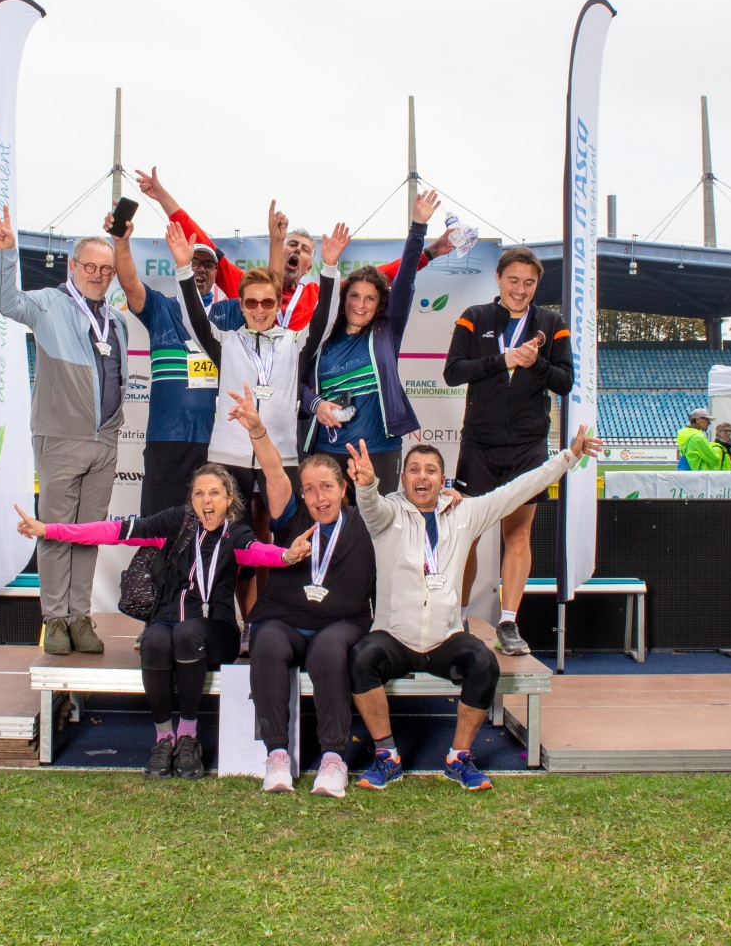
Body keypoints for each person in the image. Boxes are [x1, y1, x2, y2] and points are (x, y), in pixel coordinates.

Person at [13, 465, 309, 780]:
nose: (206, 500)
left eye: (214, 493)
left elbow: (259, 552)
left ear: (229, 499)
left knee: (187, 633)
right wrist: (49, 530)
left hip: (216, 631)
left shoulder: (236, 535)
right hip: (167, 622)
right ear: (192, 500)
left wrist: (287, 556)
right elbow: (112, 532)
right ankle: (164, 738)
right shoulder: (175, 523)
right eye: (199, 493)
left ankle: (188, 737)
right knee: (153, 640)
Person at [346, 428, 602, 791]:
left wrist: (569, 456)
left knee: (484, 663)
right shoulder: (388, 514)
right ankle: (387, 755)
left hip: (446, 637)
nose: (422, 477)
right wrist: (366, 485)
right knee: (361, 658)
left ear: (443, 480)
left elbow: (518, 490)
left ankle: (459, 757)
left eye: (431, 470)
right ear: (403, 479)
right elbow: (370, 505)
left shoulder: (465, 513)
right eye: (414, 470)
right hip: (394, 636)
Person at [228, 384, 453, 797]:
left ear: (343, 489)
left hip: (342, 621)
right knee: (267, 642)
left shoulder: (368, 519)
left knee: (330, 651)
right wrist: (257, 430)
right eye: (310, 489)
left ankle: (334, 759)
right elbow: (274, 470)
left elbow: (416, 501)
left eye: (327, 487)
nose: (319, 496)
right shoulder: (290, 515)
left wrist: (448, 495)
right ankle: (276, 754)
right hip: (284, 618)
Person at [0, 206, 130, 656]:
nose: (97, 275)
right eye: (89, 266)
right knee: (54, 531)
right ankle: (54, 618)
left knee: (88, 534)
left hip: (105, 442)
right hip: (61, 439)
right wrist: (6, 253)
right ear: (72, 266)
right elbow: (5, 302)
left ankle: (79, 616)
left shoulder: (117, 320)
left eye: (105, 270)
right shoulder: (49, 304)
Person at [442, 245, 572, 656]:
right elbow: (452, 373)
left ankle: (509, 623)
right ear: (498, 278)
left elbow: (565, 381)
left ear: (536, 286)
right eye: (513, 280)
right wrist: (504, 359)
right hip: (479, 445)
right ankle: (457, 617)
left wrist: (535, 364)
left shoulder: (552, 323)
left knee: (518, 534)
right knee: (467, 534)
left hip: (527, 446)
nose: (520, 289)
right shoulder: (474, 317)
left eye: (529, 283)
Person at [134, 167, 449, 332]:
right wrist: (163, 197)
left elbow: (380, 277)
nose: (297, 250)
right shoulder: (246, 286)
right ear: (280, 251)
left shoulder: (318, 295)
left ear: (309, 265)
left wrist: (429, 252)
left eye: (305, 249)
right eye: (292, 244)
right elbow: (203, 240)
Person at [172, 220, 340, 508]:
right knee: (229, 529)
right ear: (241, 305)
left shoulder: (295, 343)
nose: (259, 310)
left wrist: (330, 267)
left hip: (281, 454)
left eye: (267, 303)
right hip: (228, 455)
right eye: (251, 303)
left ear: (276, 305)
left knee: (287, 527)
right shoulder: (225, 342)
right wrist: (183, 270)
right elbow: (193, 319)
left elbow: (325, 320)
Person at [109, 205, 262, 516]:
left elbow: (265, 295)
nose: (201, 270)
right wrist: (122, 242)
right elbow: (129, 283)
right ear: (181, 265)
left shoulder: (231, 312)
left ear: (216, 273)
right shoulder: (160, 307)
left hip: (218, 440)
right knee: (161, 524)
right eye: (194, 262)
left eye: (208, 264)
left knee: (217, 526)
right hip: (167, 437)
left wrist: (276, 240)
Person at [303, 190, 440, 495]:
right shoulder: (323, 338)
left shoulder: (386, 331)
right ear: (343, 300)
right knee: (329, 522)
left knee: (379, 523)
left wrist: (418, 226)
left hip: (379, 449)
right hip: (328, 451)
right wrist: (317, 404)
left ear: (380, 304)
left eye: (370, 298)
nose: (360, 305)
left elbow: (405, 278)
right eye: (354, 296)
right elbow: (297, 385)